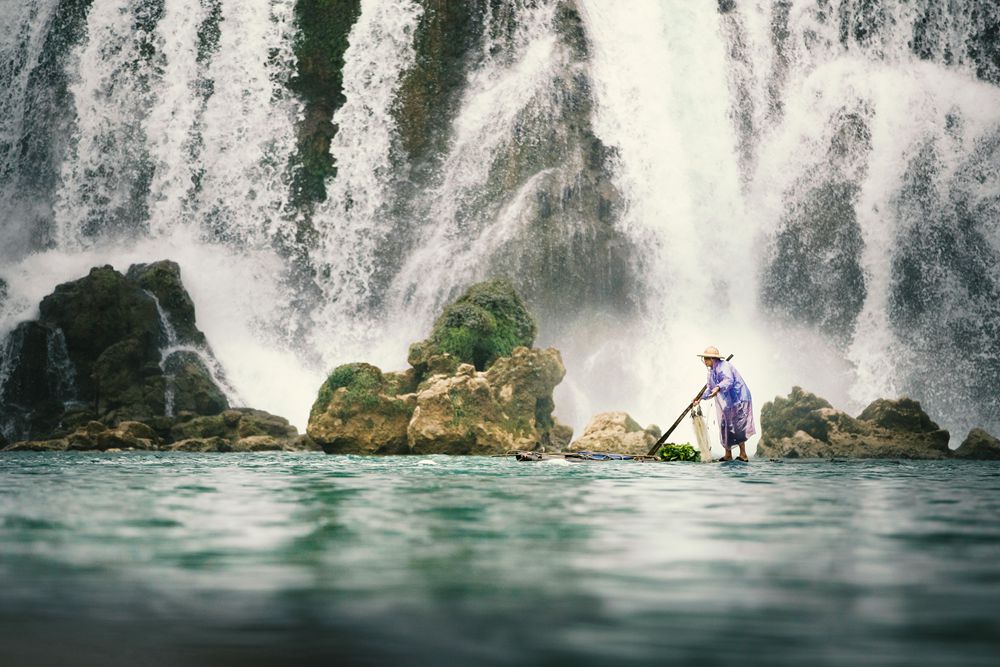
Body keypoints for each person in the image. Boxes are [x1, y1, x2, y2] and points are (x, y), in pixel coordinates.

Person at [692, 346, 755, 462]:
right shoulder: (711, 373)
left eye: (706, 358)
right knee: (725, 425)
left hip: (739, 398)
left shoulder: (724, 366)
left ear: (712, 359)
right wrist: (699, 398)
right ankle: (728, 454)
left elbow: (728, 380)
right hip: (727, 402)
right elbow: (710, 389)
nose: (704, 361)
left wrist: (718, 387)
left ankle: (743, 454)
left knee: (738, 425)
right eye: (704, 358)